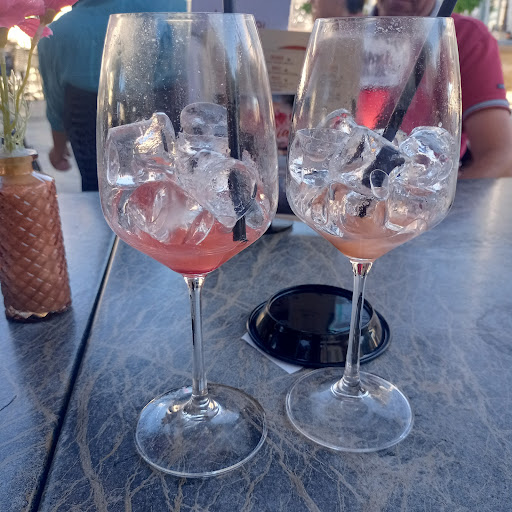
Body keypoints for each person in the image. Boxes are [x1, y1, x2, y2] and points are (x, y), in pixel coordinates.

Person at [38, 0, 186, 191]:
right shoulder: (176, 7)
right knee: (166, 192)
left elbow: (55, 101)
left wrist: (58, 149)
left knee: (98, 191)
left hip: (89, 127)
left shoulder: (58, 31)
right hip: (163, 116)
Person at [374, 0, 512, 179]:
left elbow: (502, 157)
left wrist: (443, 192)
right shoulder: (347, 33)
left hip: (425, 188)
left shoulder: (466, 35)